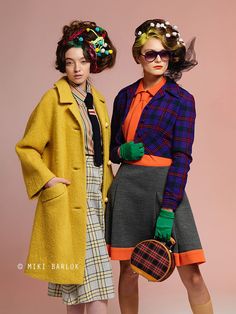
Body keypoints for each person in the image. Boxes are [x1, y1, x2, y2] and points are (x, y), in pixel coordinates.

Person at [105, 19, 213, 314]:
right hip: (127, 190)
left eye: (163, 54)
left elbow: (183, 157)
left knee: (191, 274)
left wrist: (168, 209)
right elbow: (112, 151)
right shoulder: (124, 96)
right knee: (128, 271)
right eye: (151, 54)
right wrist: (121, 150)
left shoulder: (181, 100)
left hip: (165, 188)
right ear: (138, 56)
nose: (158, 60)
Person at [16, 20, 116, 314]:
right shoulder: (53, 99)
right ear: (63, 64)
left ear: (92, 63)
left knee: (77, 287)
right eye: (70, 62)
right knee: (96, 283)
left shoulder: (97, 100)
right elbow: (27, 148)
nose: (77, 69)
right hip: (72, 192)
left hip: (98, 192)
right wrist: (48, 180)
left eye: (83, 61)